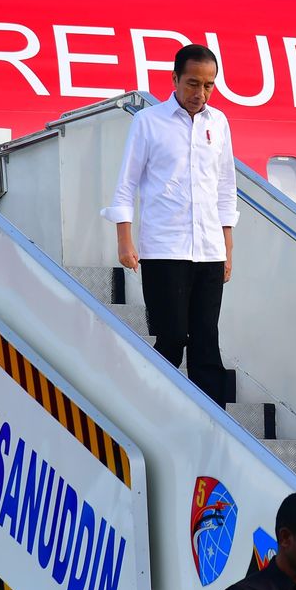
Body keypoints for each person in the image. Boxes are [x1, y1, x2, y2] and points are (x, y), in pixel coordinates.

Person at [101, 44, 239, 405]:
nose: (200, 94)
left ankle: (213, 421)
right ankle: (155, 406)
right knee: (172, 336)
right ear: (175, 79)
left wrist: (227, 246)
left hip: (208, 249)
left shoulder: (219, 124)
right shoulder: (149, 122)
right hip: (164, 249)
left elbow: (226, 188)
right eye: (193, 83)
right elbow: (126, 185)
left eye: (208, 86)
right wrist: (124, 241)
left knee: (207, 338)